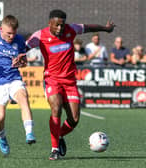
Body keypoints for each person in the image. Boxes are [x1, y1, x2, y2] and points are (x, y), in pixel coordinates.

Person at [13, 9, 115, 160]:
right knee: (56, 108)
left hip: (69, 81)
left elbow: (88, 27)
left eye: (62, 25)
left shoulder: (71, 29)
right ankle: (54, 149)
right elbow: (23, 48)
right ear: (50, 23)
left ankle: (58, 135)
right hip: (51, 79)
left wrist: (105, 29)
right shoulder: (40, 35)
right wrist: (19, 56)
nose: (60, 28)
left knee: (74, 119)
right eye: (56, 25)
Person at [0, 15, 36, 156]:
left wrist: (21, 62)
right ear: (1, 29)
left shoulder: (19, 40)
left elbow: (24, 61)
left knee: (23, 98)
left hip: (14, 79)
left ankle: (29, 133)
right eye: (8, 33)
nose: (11, 36)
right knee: (0, 117)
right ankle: (2, 137)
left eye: (13, 33)